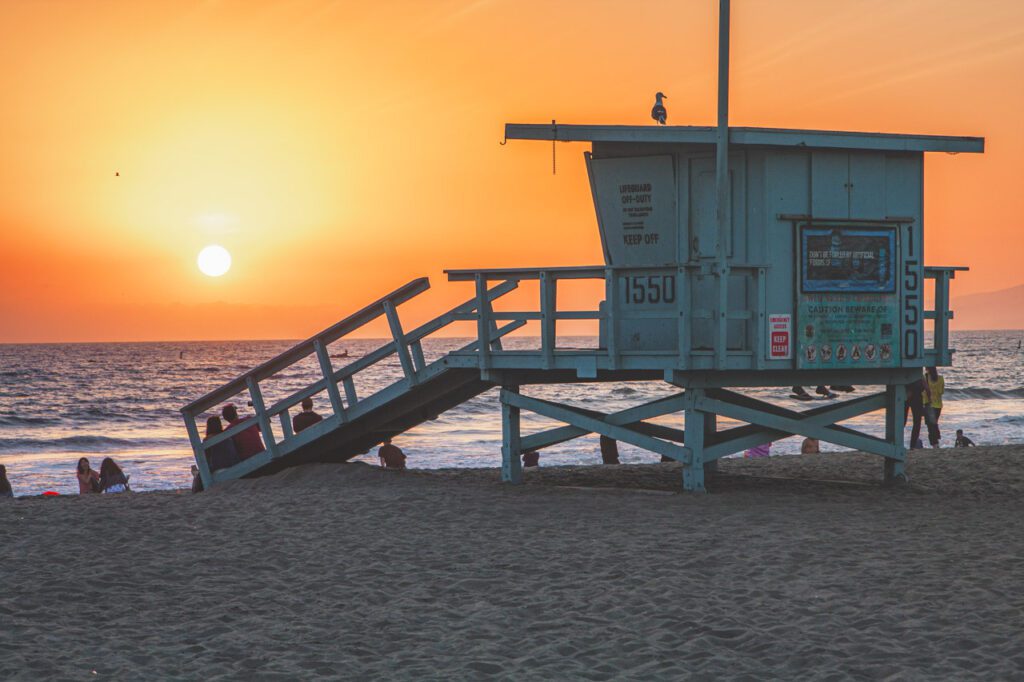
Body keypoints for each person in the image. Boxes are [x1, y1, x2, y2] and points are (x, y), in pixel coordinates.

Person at [923, 366, 945, 448]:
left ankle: (934, 444)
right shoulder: (941, 378)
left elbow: (923, 390)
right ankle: (936, 442)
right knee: (934, 423)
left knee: (930, 425)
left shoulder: (925, 377)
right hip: (938, 405)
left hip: (928, 404)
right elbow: (941, 392)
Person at [905, 374, 925, 449]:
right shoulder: (919, 374)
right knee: (917, 422)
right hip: (916, 395)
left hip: (907, 391)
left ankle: (898, 443)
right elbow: (925, 386)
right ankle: (912, 446)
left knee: (902, 421)